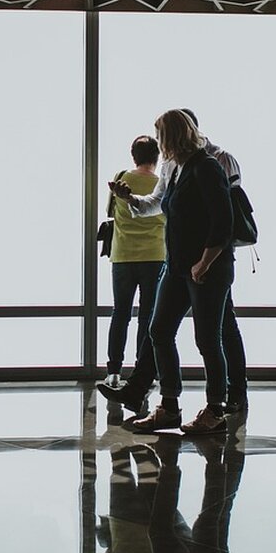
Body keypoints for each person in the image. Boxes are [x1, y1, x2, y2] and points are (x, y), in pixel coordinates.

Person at [106, 108, 250, 414]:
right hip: (178, 264)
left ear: (173, 136)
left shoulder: (211, 164)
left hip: (207, 265)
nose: (158, 146)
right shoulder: (175, 166)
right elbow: (157, 204)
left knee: (212, 336)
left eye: (161, 136)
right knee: (160, 330)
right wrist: (129, 199)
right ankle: (167, 403)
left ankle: (220, 404)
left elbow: (223, 221)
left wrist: (205, 261)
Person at [103, 135, 165, 389]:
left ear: (133, 156)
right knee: (147, 316)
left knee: (121, 314)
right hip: (154, 255)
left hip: (123, 255)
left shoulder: (121, 178)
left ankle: (114, 371)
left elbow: (110, 212)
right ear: (157, 156)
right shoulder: (161, 184)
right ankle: (142, 370)